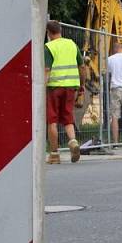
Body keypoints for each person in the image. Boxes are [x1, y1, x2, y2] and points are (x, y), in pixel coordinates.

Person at [45, 20, 86, 164]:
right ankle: (73, 142)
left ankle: (54, 154)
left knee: (52, 120)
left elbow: (47, 70)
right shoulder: (71, 44)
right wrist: (82, 85)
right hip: (71, 87)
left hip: (54, 87)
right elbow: (82, 66)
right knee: (68, 117)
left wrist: (42, 86)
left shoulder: (49, 47)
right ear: (60, 30)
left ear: (48, 33)